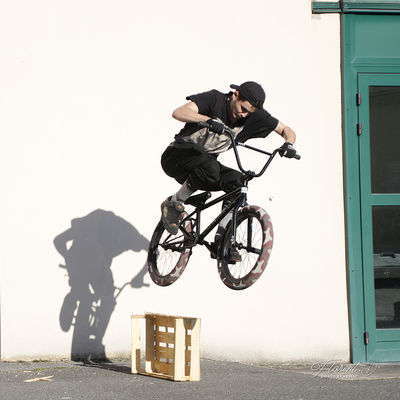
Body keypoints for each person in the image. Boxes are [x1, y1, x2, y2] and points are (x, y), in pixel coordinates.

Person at [160, 81, 297, 258]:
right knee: (210, 167)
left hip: (205, 167)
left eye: (249, 112)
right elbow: (178, 112)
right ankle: (173, 202)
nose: (243, 115)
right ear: (236, 94)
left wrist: (289, 144)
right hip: (176, 157)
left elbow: (286, 129)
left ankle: (223, 239)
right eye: (243, 108)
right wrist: (207, 120)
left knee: (238, 183)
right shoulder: (214, 99)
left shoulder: (252, 116)